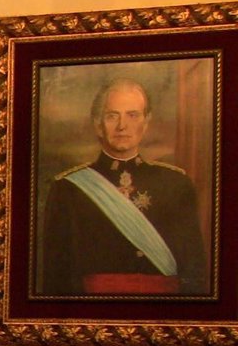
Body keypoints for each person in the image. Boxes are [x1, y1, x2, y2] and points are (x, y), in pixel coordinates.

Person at [39, 77, 208, 296]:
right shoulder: (68, 189)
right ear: (98, 124)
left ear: (146, 122)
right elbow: (56, 278)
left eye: (133, 115)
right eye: (112, 116)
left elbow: (193, 273)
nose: (122, 126)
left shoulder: (176, 184)